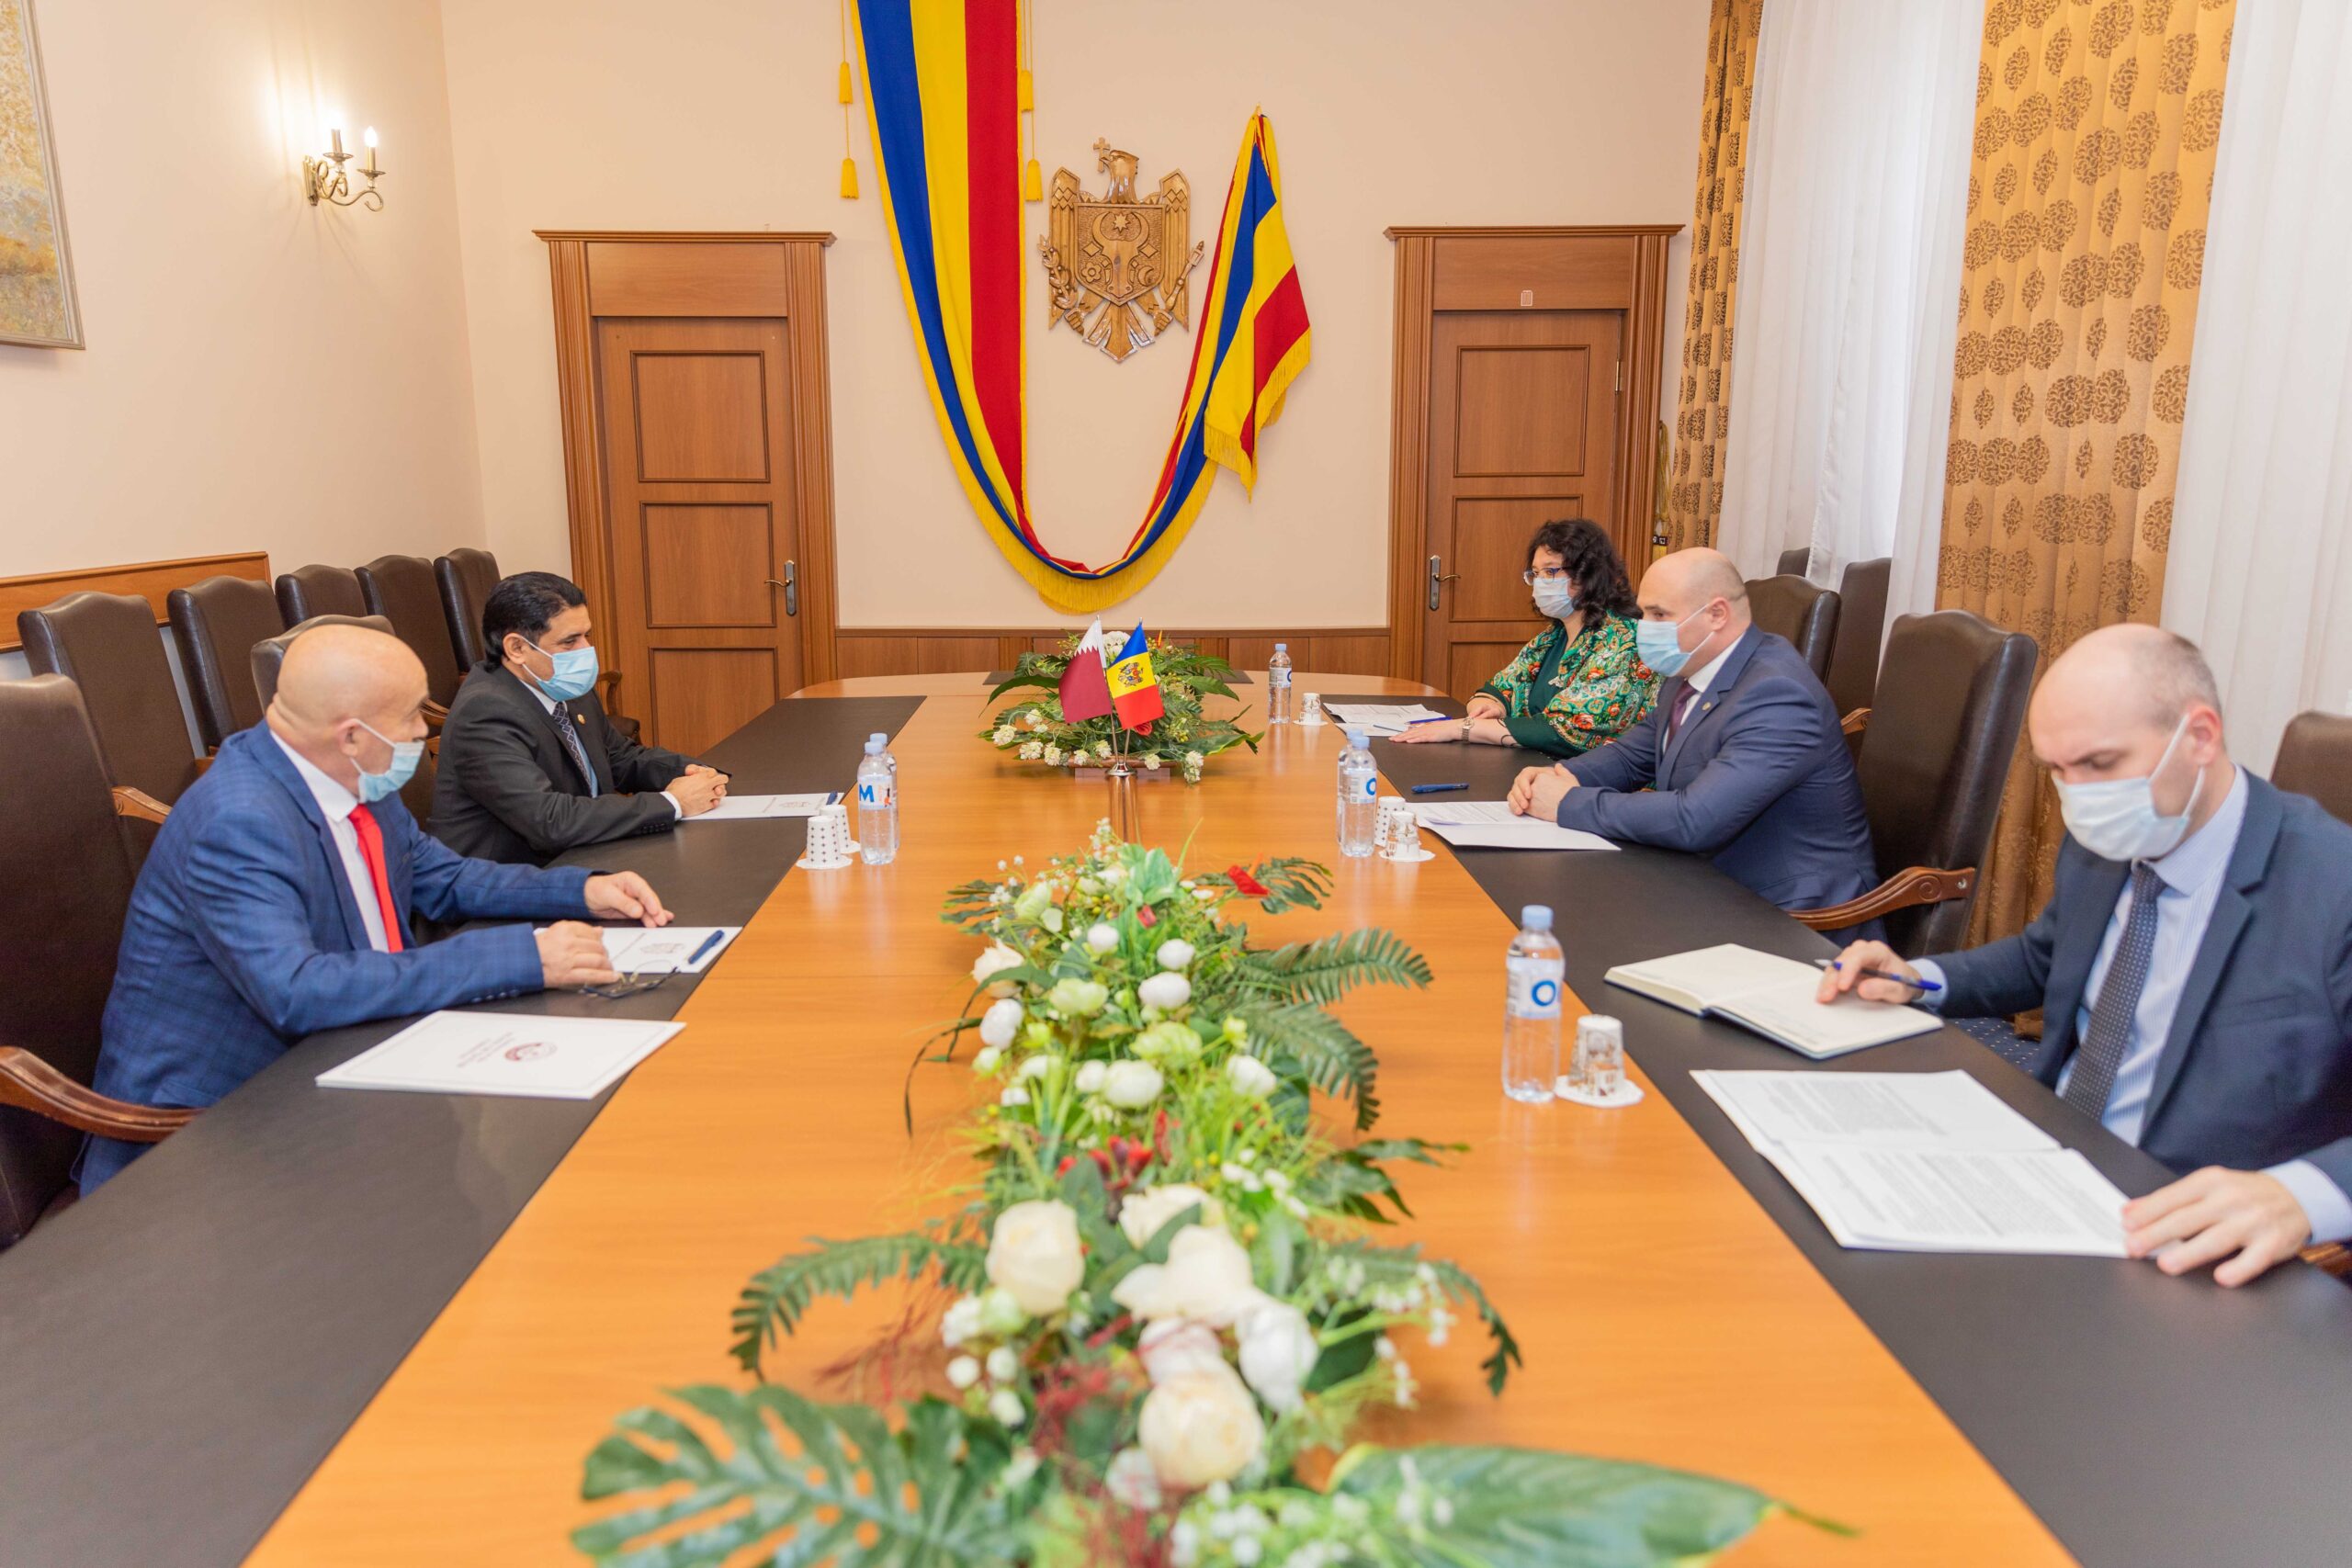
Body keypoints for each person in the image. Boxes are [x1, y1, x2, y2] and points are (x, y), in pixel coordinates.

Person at [1818, 625, 2352, 1287]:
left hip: (2178, 1229)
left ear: (2200, 736)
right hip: (2045, 1162)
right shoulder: (2110, 836)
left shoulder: (2333, 886)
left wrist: (2302, 1195)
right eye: (2057, 771)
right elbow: (2046, 959)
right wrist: (1920, 978)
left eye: (2099, 764)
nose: (2080, 798)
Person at [81, 624, 670, 1192]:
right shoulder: (238, 821)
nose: (423, 728)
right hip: (213, 1131)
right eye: (411, 715)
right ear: (351, 736)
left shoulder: (353, 774)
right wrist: (522, 956)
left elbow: (444, 877)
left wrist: (580, 891)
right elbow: (297, 990)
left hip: (349, 1062)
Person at [1507, 547, 1878, 919]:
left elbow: (1696, 818)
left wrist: (1568, 803)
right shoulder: (1691, 669)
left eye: (1659, 615)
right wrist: (1563, 775)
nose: (1644, 628)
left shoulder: (1777, 694)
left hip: (1789, 914)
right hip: (1704, 883)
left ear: (1717, 614)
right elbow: (1634, 755)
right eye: (1643, 613)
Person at [431, 571, 729, 864]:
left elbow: (619, 758)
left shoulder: (564, 685)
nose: (586, 650)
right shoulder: (484, 713)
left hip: (583, 854)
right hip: (505, 881)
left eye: (587, 635)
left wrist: (697, 773)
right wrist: (673, 803)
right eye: (569, 641)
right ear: (517, 648)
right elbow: (549, 821)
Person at [1393, 517, 1657, 755]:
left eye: (1551, 571)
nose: (1541, 582)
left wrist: (1461, 728)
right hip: (1539, 765)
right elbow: (1501, 687)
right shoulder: (1553, 637)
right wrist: (1489, 704)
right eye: (1535, 573)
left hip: (1601, 781)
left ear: (1588, 574)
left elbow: (1563, 730)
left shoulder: (1622, 641)